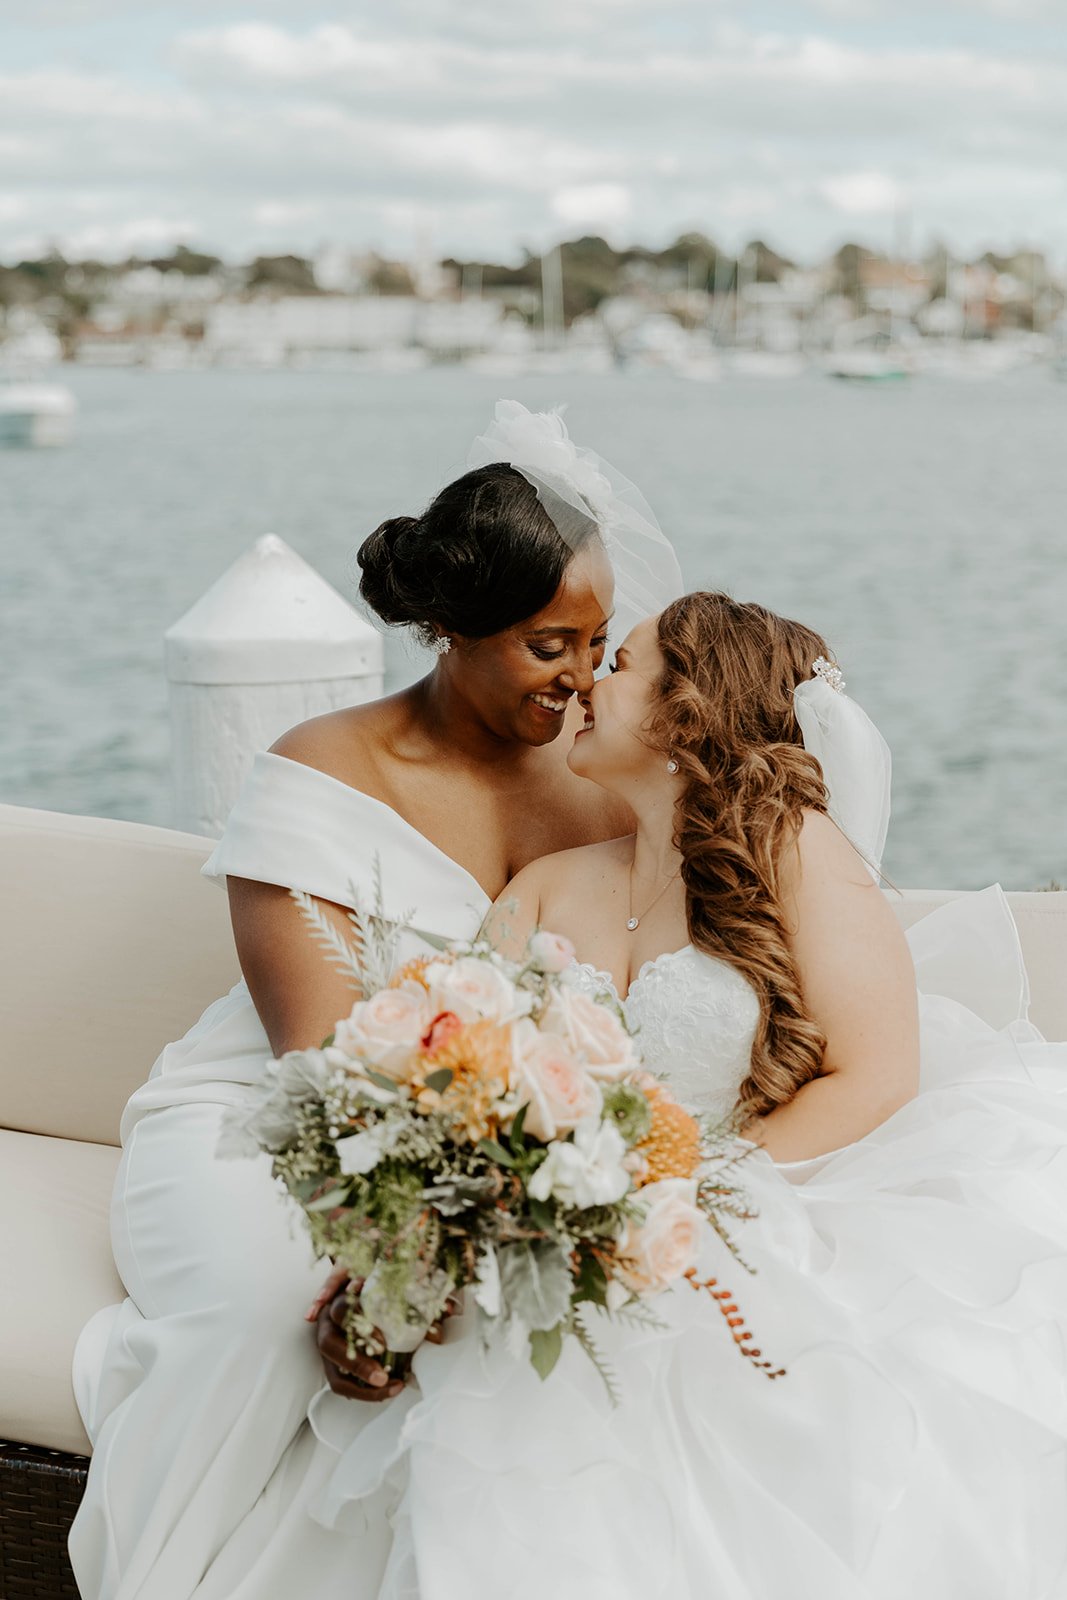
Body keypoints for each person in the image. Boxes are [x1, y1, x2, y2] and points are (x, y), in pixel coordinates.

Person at [319, 591, 1061, 1600]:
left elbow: (877, 1072)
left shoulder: (792, 853)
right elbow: (465, 1086)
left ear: (688, 709)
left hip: (750, 1200)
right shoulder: (543, 886)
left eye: (619, 662)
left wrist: (684, 1203)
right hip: (569, 1226)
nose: (586, 681)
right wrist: (408, 1250)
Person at [68, 402, 682, 1600]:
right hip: (276, 1117)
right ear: (449, 627)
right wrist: (395, 1253)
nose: (578, 679)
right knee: (263, 1309)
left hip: (505, 1135)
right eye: (547, 643)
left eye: (597, 643)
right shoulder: (323, 769)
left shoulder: (605, 785)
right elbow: (315, 1053)